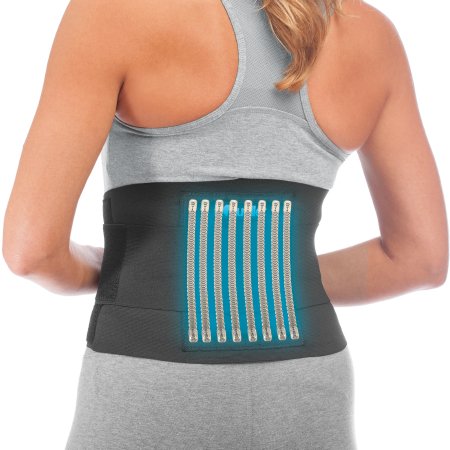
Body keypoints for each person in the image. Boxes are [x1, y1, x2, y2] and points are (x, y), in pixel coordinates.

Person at [3, 0, 448, 448]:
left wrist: (130, 271)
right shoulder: (369, 33)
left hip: (149, 388)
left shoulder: (116, 11)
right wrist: (264, 278)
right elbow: (419, 260)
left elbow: (32, 252)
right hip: (307, 391)